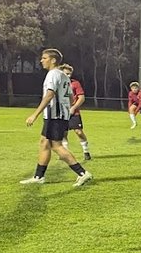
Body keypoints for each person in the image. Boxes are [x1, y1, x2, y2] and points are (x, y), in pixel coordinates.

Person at [20, 48, 92, 187]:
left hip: (54, 116)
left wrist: (35, 114)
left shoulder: (53, 74)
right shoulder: (64, 75)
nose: (41, 60)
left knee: (56, 146)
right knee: (44, 143)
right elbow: (71, 97)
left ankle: (82, 173)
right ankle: (39, 176)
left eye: (44, 58)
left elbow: (49, 95)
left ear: (53, 60)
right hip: (60, 115)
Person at [62, 65, 91, 160]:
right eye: (66, 74)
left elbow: (81, 98)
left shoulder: (75, 83)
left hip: (74, 113)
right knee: (63, 133)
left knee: (78, 132)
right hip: (61, 112)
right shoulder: (58, 83)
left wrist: (73, 108)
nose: (68, 76)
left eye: (69, 74)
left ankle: (86, 151)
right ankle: (65, 153)